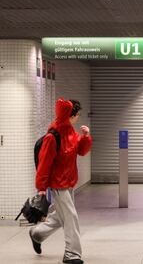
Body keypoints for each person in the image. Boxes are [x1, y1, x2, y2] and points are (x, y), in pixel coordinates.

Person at [29, 98, 92, 264]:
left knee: (58, 217)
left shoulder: (70, 132)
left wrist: (85, 136)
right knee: (71, 217)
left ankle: (36, 234)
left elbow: (81, 151)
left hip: (70, 182)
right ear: (69, 116)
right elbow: (44, 164)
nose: (78, 117)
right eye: (77, 115)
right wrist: (41, 188)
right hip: (58, 185)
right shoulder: (52, 136)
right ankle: (72, 254)